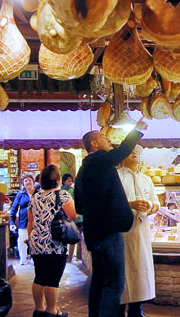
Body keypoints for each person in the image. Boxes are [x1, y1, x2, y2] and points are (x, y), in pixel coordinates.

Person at [75, 119, 147, 317]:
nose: (108, 140)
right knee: (114, 284)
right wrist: (137, 130)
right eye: (103, 138)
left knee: (98, 281)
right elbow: (122, 151)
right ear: (94, 144)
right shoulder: (99, 160)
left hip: (94, 234)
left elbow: (79, 206)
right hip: (108, 234)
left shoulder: (82, 171)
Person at [28, 165, 77, 317]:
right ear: (57, 179)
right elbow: (73, 214)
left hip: (37, 242)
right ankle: (51, 311)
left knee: (40, 277)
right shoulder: (62, 195)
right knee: (53, 279)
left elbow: (30, 221)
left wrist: (31, 240)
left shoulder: (35, 196)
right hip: (55, 242)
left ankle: (39, 309)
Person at [117, 145, 160, 317]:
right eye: (131, 151)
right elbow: (111, 203)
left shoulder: (146, 179)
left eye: (137, 152)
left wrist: (153, 207)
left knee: (140, 269)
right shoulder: (117, 177)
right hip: (123, 233)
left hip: (141, 232)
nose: (135, 153)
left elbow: (155, 200)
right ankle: (120, 308)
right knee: (124, 269)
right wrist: (131, 205)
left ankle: (137, 308)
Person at [10, 175, 38, 265]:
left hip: (36, 221)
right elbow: (14, 208)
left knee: (36, 241)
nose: (28, 182)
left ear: (33, 182)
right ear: (23, 184)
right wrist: (12, 222)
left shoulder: (39, 193)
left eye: (29, 180)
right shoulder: (20, 194)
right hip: (23, 221)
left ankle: (35, 259)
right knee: (22, 240)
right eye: (25, 181)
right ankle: (23, 259)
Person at [61, 173, 82, 263]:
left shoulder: (70, 191)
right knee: (74, 237)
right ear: (63, 181)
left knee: (75, 237)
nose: (70, 182)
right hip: (71, 216)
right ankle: (74, 257)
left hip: (75, 217)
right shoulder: (64, 191)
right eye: (68, 180)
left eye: (71, 180)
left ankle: (74, 257)